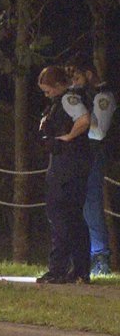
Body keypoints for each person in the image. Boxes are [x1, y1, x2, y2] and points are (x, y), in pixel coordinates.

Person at [36, 66, 92, 284]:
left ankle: (58, 268)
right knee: (73, 217)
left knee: (60, 214)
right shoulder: (62, 100)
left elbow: (84, 120)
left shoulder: (68, 99)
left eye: (48, 90)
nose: (46, 94)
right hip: (70, 163)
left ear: (59, 85)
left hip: (68, 165)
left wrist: (68, 137)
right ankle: (79, 270)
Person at [66, 57, 117, 275]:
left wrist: (82, 116)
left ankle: (100, 258)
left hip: (93, 152)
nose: (74, 84)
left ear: (88, 75)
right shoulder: (81, 97)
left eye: (77, 78)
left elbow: (99, 131)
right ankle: (78, 256)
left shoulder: (103, 97)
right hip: (77, 153)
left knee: (91, 204)